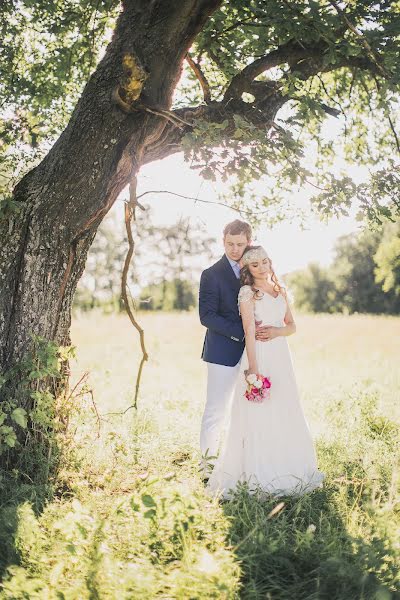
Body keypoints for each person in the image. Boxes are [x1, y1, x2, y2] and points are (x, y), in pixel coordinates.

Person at [206, 245, 325, 499]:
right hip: (259, 355)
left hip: (281, 356)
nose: (261, 267)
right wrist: (253, 369)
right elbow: (249, 331)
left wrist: (276, 332)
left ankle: (289, 466)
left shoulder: (280, 290)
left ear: (270, 262)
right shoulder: (248, 293)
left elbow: (292, 326)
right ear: (247, 270)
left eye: (264, 262)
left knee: (285, 407)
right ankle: (260, 472)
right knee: (259, 413)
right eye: (255, 265)